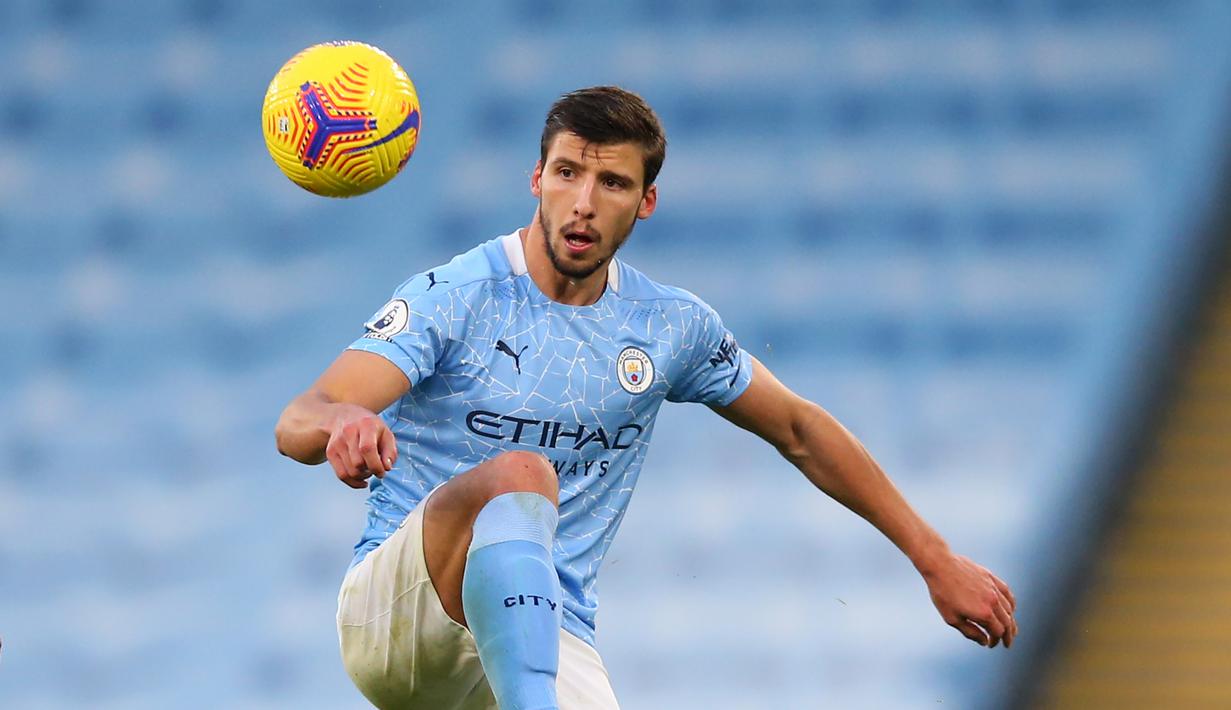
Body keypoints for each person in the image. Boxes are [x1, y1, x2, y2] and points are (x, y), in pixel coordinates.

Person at [274, 86, 1017, 710]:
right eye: (566, 174)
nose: (583, 204)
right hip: (400, 619)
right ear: (536, 178)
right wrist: (343, 420)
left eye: (613, 184)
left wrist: (933, 558)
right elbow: (300, 418)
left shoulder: (668, 327)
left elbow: (797, 427)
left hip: (545, 637)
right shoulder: (454, 297)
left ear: (647, 201)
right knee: (521, 474)